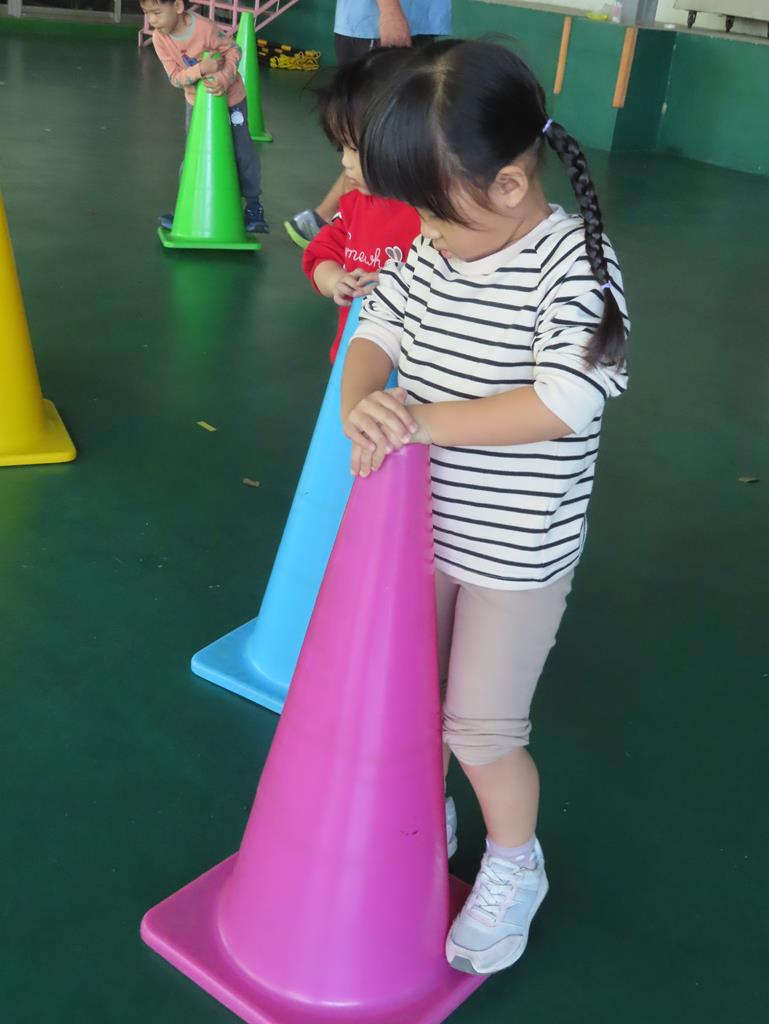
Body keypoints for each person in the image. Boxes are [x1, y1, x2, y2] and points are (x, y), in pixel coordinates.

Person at [340, 40, 630, 976]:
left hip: (515, 556)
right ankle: (427, 820)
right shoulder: (433, 251)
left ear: (508, 185)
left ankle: (514, 862)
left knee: (479, 727)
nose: (420, 232)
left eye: (433, 211)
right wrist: (362, 402)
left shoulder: (572, 265)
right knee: (411, 702)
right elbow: (376, 326)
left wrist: (422, 420)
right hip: (421, 537)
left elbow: (563, 400)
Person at [284, 0, 451, 249]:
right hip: (383, 26)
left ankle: (326, 219)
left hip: (413, 22)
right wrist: (390, 11)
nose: (346, 160)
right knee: (370, 141)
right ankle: (328, 220)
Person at [302, 47, 421, 362]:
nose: (345, 162)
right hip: (353, 361)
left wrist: (395, 286)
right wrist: (335, 281)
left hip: (412, 369)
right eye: (341, 148)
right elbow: (320, 256)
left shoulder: (435, 217)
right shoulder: (355, 204)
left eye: (356, 149)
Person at [141, 0, 268, 234]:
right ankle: (187, 206)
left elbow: (234, 50)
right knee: (195, 154)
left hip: (232, 101)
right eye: (147, 14)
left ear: (178, 6)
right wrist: (202, 69)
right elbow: (175, 77)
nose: (152, 20)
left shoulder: (204, 28)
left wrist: (225, 77)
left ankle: (253, 206)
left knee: (242, 151)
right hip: (197, 106)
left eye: (157, 13)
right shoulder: (160, 38)